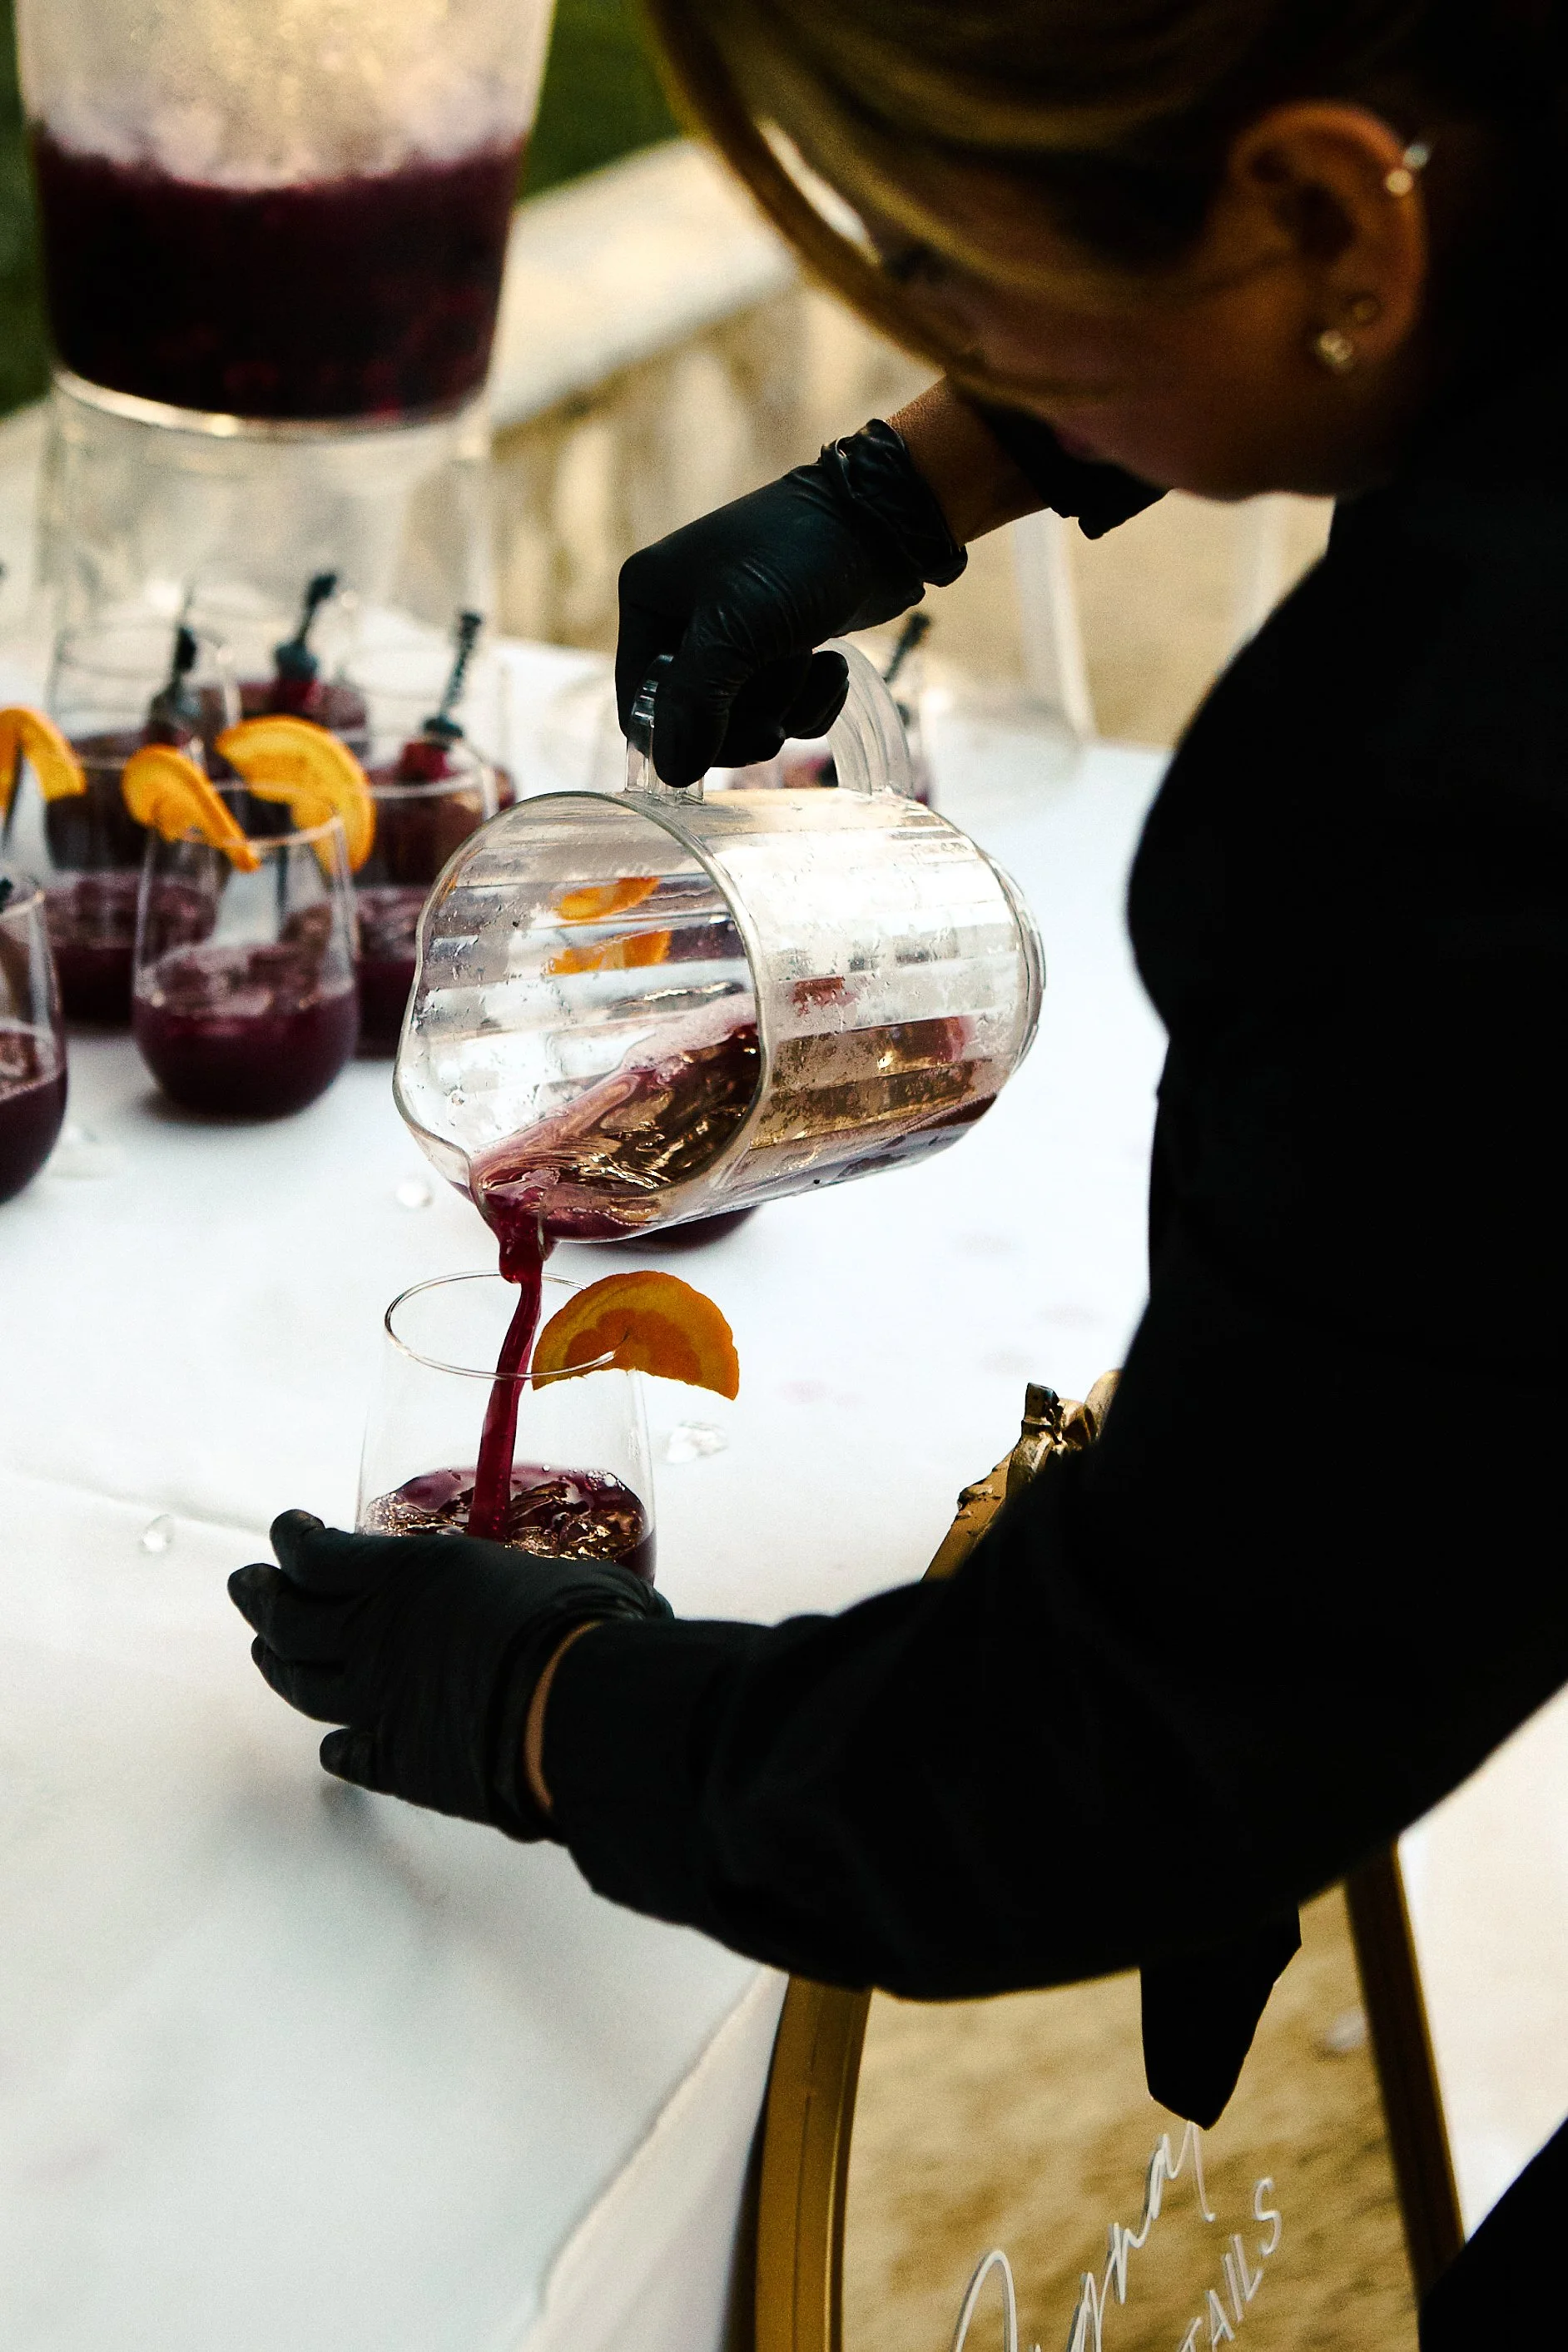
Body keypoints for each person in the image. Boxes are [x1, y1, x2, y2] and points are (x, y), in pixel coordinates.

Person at [230, 0, 1568, 2333]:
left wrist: (554, 1711)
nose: (930, 334)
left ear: (1322, 215)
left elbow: (1119, 1750)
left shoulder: (1457, 785)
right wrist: (919, 477)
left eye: (954, 273)